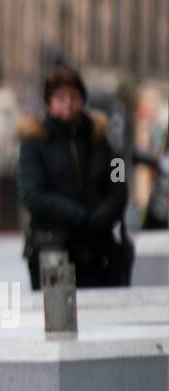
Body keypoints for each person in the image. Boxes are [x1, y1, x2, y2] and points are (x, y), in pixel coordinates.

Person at [17, 65, 128, 289]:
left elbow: (119, 182)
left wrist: (103, 215)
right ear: (49, 102)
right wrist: (80, 216)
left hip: (98, 251)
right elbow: (32, 194)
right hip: (53, 248)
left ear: (82, 100)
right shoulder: (34, 143)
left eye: (74, 97)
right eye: (60, 97)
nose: (68, 103)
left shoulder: (103, 141)